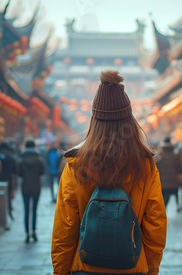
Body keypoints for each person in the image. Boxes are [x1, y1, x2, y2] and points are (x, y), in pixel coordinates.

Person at [52, 70, 167, 275]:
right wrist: (151, 269)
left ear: (94, 121)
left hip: (84, 267)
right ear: (129, 121)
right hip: (132, 267)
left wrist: (60, 272)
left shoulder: (76, 165)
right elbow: (155, 224)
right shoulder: (145, 165)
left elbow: (65, 226)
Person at [17, 140, 45, 243]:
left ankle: (27, 234)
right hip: (36, 187)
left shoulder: (21, 159)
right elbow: (42, 172)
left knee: (26, 210)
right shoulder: (39, 160)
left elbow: (19, 173)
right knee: (34, 210)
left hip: (25, 187)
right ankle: (34, 231)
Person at [156, 137, 182, 209]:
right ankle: (166, 209)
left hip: (162, 181)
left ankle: (163, 211)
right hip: (172, 181)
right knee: (168, 197)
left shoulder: (159, 155)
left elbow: (156, 168)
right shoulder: (175, 156)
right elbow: (179, 168)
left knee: (163, 197)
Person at [0, 142, 17, 220]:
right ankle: (9, 213)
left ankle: (0, 214)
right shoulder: (11, 158)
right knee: (8, 198)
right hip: (8, 180)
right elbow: (14, 171)